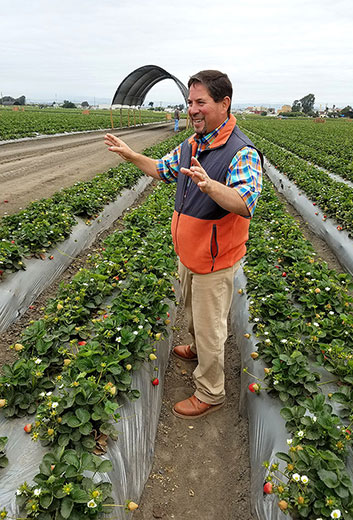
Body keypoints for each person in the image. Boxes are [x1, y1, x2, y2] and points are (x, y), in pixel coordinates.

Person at [104, 70, 262, 419]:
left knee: (210, 328)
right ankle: (195, 348)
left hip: (215, 259)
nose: (192, 109)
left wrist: (211, 187)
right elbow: (162, 170)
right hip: (190, 254)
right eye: (190, 102)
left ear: (224, 103)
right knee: (193, 313)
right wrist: (131, 155)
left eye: (200, 102)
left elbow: (244, 201)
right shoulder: (192, 144)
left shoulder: (241, 151)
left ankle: (210, 391)